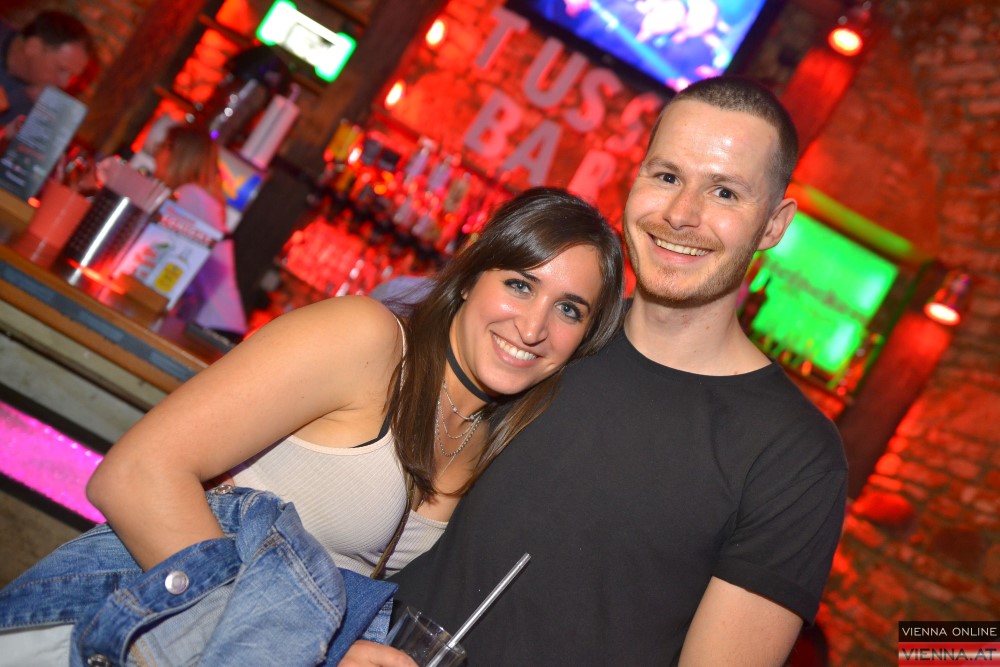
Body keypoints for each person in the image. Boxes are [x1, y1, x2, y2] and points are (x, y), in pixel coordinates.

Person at [0, 186, 627, 664]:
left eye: (569, 310)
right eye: (520, 284)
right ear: (468, 278)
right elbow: (136, 476)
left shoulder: (493, 437)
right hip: (116, 637)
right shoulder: (368, 340)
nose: (534, 327)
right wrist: (319, 651)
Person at [346, 76, 848, 666]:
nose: (682, 214)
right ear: (635, 181)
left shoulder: (793, 454)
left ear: (773, 225)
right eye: (667, 176)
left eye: (725, 192)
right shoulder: (546, 335)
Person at [153, 124, 249, 340]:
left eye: (164, 146)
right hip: (216, 322)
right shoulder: (198, 196)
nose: (157, 152)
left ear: (180, 155)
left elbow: (158, 248)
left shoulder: (190, 195)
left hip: (212, 324)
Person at [0, 10, 92, 127]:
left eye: (72, 76)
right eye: (61, 69)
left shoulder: (33, 100)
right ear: (33, 47)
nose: (64, 83)